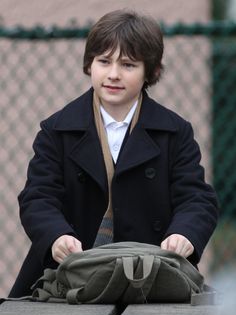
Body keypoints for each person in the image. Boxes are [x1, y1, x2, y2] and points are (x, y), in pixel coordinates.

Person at [9, 9, 218, 297]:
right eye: (104, 61)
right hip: (68, 276)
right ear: (89, 65)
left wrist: (183, 234)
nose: (113, 74)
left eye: (129, 65)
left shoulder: (175, 132)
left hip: (151, 276)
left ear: (152, 71)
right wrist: (56, 235)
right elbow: (37, 196)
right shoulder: (56, 129)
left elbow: (196, 198)